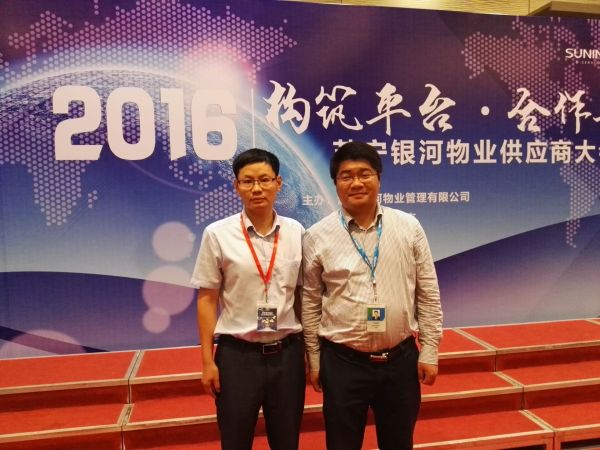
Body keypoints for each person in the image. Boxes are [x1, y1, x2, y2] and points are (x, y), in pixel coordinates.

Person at [302, 141, 443, 450]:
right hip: (343, 363)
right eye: (346, 176)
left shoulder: (408, 227)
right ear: (335, 183)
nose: (356, 183)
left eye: (364, 174)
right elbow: (310, 303)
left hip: (400, 361)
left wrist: (430, 349)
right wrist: (314, 359)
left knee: (399, 443)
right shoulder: (317, 236)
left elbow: (428, 291)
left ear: (378, 178)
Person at [191, 148, 305, 450]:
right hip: (237, 357)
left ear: (278, 183)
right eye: (248, 181)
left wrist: (309, 352)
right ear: (236, 186)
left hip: (287, 355)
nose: (257, 188)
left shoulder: (296, 232)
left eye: (265, 180)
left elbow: (302, 295)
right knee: (235, 441)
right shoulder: (217, 234)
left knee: (287, 441)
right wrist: (207, 361)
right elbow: (206, 299)